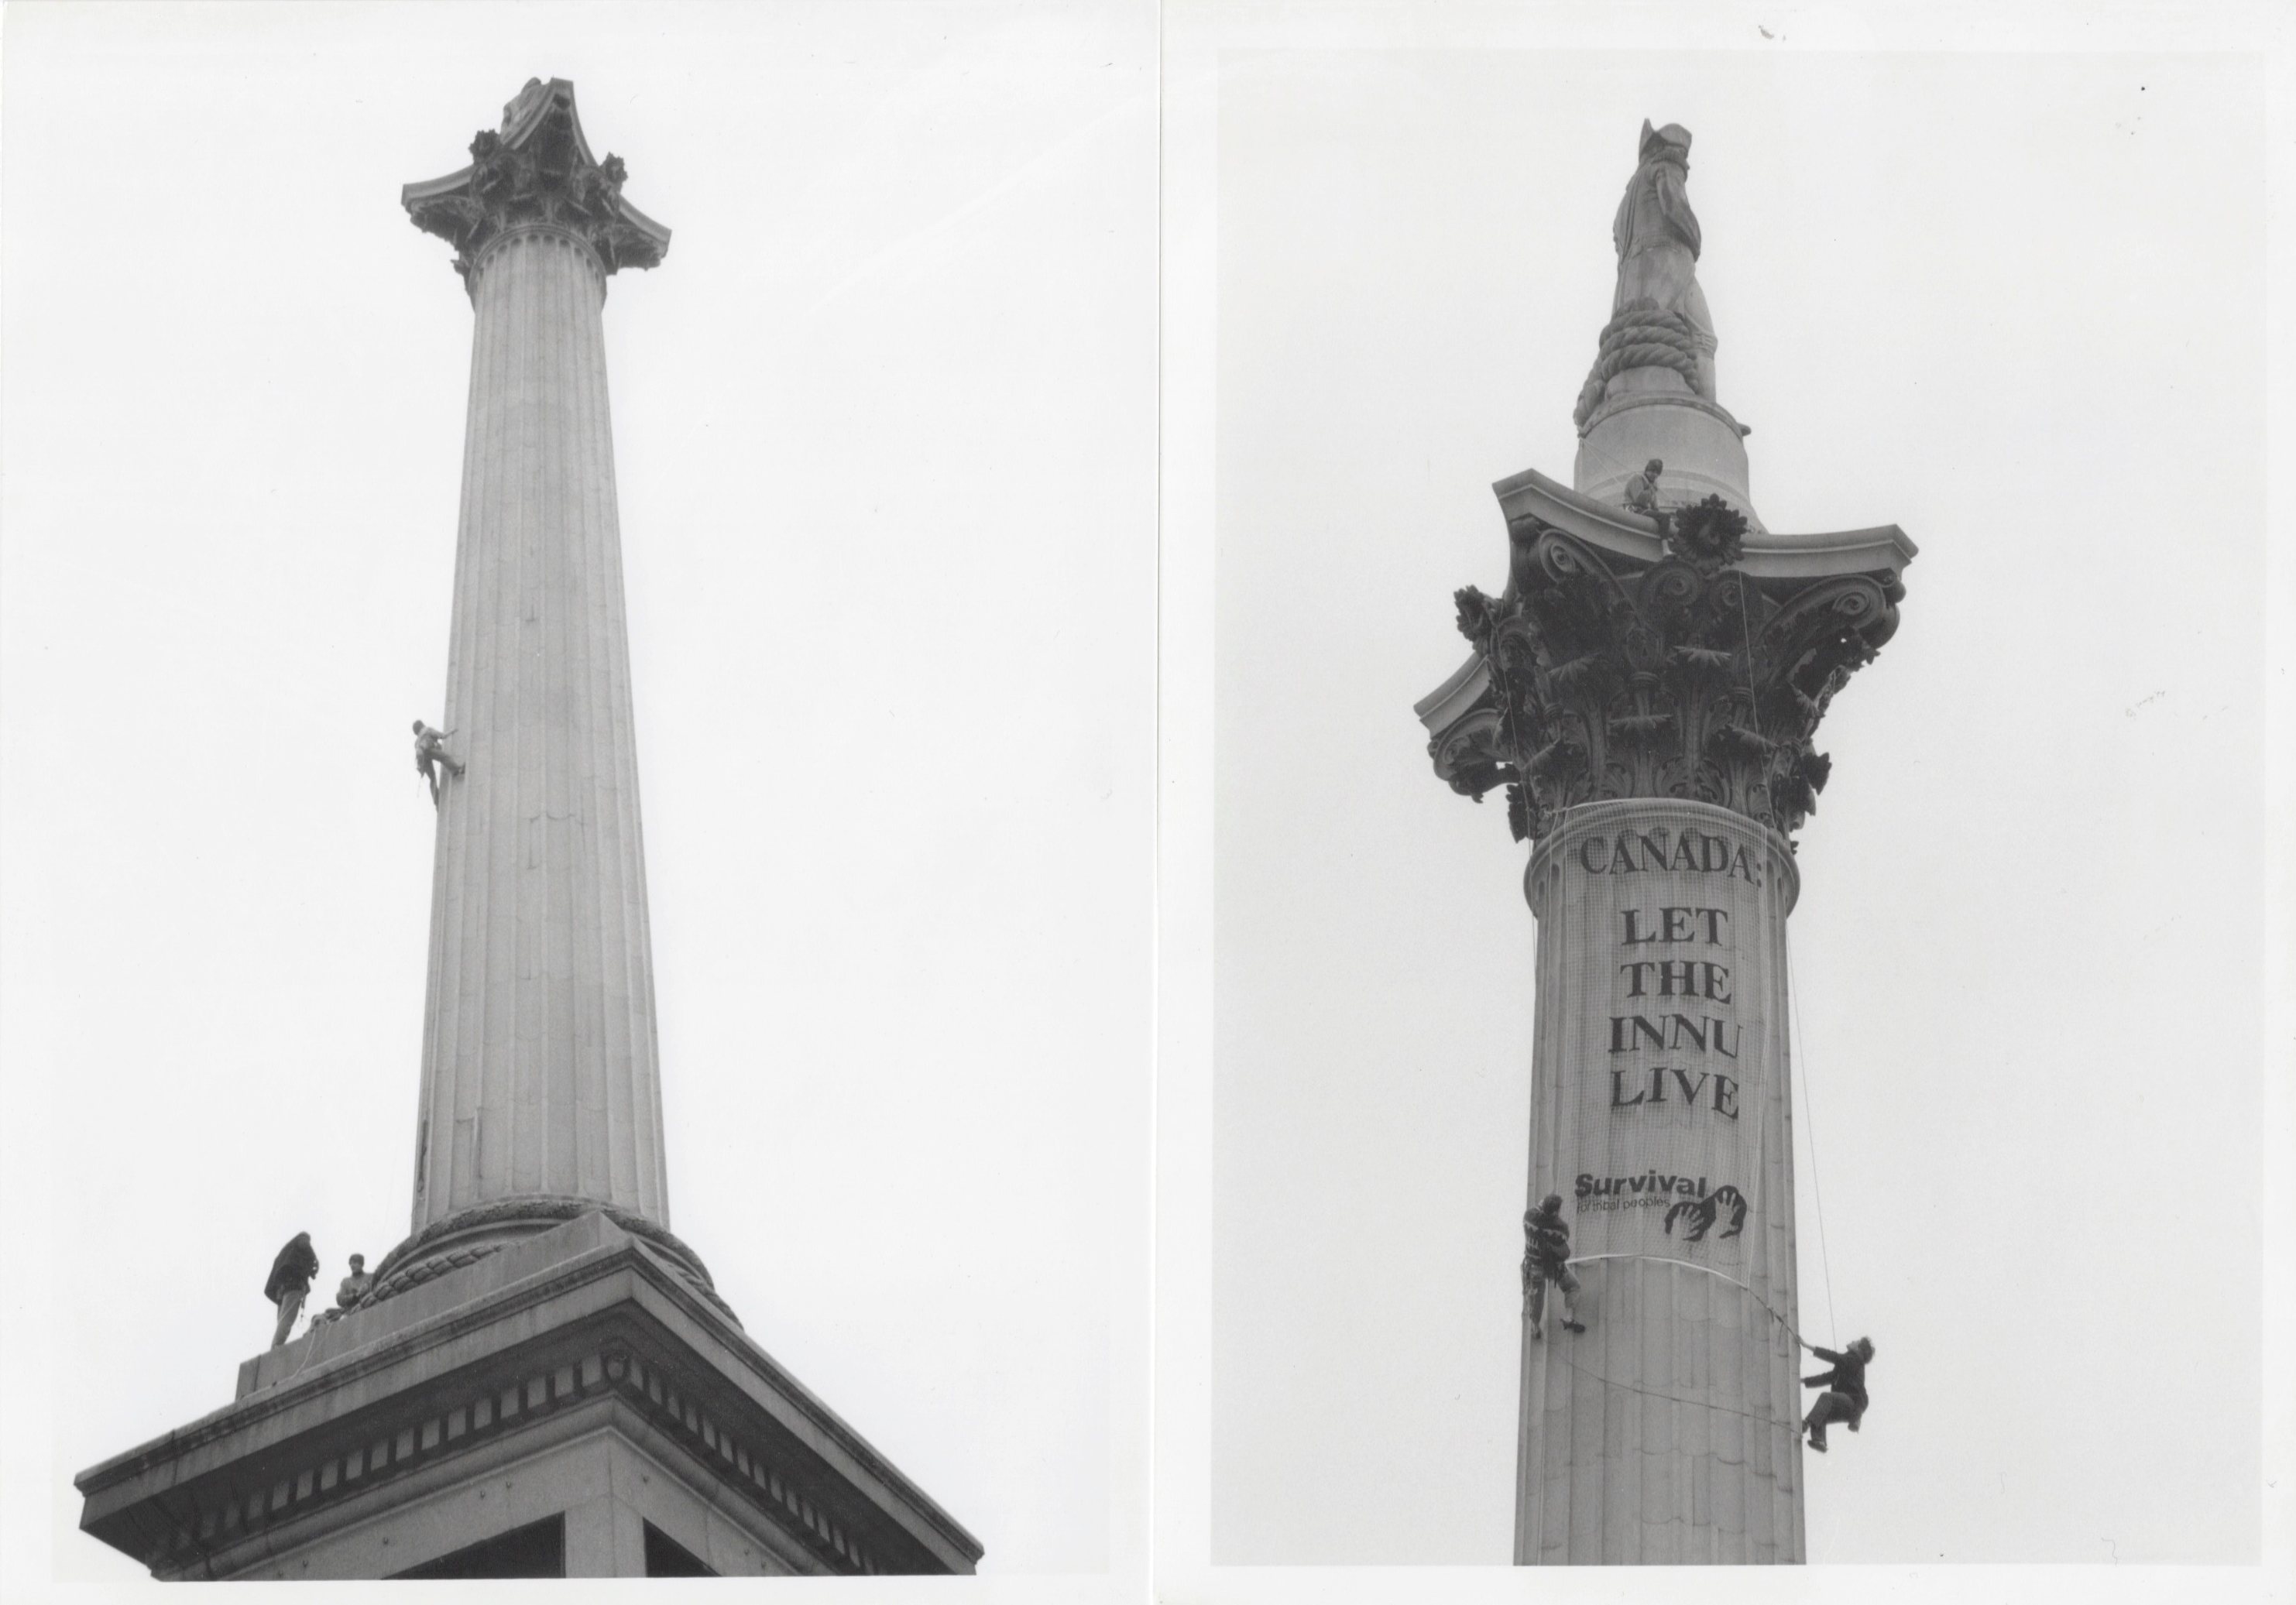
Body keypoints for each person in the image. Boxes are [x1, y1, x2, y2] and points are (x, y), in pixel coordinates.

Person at [1521, 1194, 1586, 1339]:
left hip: (1533, 1267)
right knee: (1573, 1286)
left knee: (1537, 1301)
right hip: (1552, 1268)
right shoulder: (1559, 1229)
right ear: (1555, 1212)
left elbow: (1538, 1210)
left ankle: (1535, 1327)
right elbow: (1564, 1251)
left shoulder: (1528, 1218)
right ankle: (1568, 1317)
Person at [1801, 1336, 1875, 1452]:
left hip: (1852, 1403)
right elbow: (1828, 1377)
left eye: (1855, 1340)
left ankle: (1807, 1423)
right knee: (1821, 1414)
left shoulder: (1855, 1358)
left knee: (1826, 1397)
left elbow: (1833, 1356)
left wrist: (1807, 1346)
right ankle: (1819, 1441)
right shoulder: (1849, 1361)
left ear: (1858, 1347)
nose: (1852, 1340)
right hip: (1849, 1408)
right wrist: (1804, 1381)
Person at [265, 1232, 320, 1350]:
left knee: (282, 1319)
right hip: (294, 1286)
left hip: (281, 1289)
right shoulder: (302, 1241)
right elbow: (305, 1245)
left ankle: (275, 1345)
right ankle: (276, 1346)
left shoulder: (287, 1251)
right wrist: (315, 1259)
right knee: (287, 1319)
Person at [414, 720, 464, 805]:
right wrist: (452, 731)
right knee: (444, 757)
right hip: (428, 751)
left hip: (423, 759)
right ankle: (457, 770)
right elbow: (442, 736)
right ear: (422, 725)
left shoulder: (416, 743)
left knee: (432, 778)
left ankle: (437, 801)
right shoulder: (427, 730)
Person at [1622, 458, 1670, 533]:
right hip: (1633, 509)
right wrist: (1651, 490)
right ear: (1647, 470)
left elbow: (1655, 505)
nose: (1655, 475)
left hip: (1643, 510)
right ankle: (1665, 544)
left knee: (1665, 517)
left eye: (1657, 473)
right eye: (1652, 471)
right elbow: (1638, 499)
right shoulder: (1637, 478)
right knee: (1664, 517)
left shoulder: (1651, 485)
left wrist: (1657, 512)